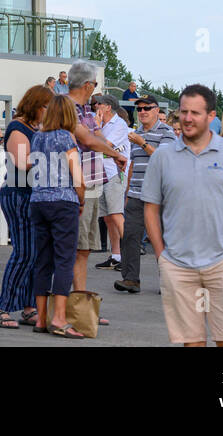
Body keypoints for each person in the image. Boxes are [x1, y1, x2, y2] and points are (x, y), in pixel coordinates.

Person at [143, 84, 223, 347]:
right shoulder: (163, 156)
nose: (187, 118)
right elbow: (150, 207)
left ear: (211, 116)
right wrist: (161, 256)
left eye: (195, 113)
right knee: (191, 342)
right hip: (178, 264)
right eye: (183, 112)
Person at [63, 62, 128, 302]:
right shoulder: (67, 107)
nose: (95, 91)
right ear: (88, 84)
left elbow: (96, 136)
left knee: (84, 247)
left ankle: (78, 301)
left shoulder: (85, 110)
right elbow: (88, 140)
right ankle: (64, 303)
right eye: (95, 85)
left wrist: (112, 152)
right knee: (73, 246)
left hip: (90, 182)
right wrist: (116, 154)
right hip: (76, 184)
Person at [0, 84, 50, 328]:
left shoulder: (35, 128)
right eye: (48, 107)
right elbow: (23, 162)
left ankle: (29, 307)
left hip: (30, 194)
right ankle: (3, 308)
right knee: (24, 253)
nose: (50, 111)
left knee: (33, 254)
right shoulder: (18, 127)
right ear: (37, 106)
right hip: (18, 194)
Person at [30, 94, 85, 338]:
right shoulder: (66, 137)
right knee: (65, 259)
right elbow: (77, 174)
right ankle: (59, 318)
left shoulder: (37, 137)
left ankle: (41, 318)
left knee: (43, 259)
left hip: (38, 201)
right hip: (63, 201)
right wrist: (81, 198)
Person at [114, 96, 176, 293]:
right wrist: (127, 191)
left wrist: (142, 143)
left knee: (164, 239)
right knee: (130, 235)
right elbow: (133, 164)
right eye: (139, 109)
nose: (142, 112)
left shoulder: (167, 132)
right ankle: (131, 279)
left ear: (157, 110)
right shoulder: (136, 133)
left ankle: (168, 282)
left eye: (147, 108)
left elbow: (164, 159)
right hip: (136, 193)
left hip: (161, 196)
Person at [92, 94, 129, 273]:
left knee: (116, 214)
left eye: (98, 104)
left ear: (108, 107)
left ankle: (129, 256)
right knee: (108, 218)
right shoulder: (99, 123)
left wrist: (97, 129)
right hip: (101, 173)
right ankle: (116, 256)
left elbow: (104, 145)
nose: (95, 106)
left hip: (115, 173)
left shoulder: (119, 125)